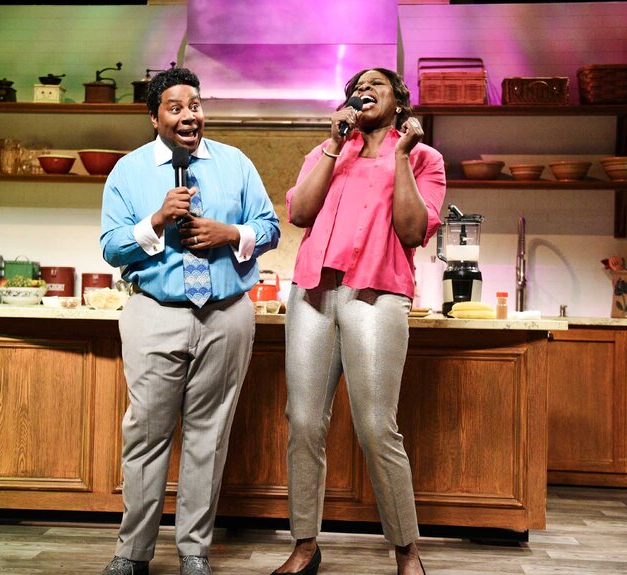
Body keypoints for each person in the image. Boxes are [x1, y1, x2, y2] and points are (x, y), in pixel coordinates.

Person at [99, 67, 280, 575]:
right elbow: (111, 248)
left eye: (195, 105)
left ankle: (194, 552)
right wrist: (155, 220)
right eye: (175, 107)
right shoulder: (128, 172)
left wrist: (230, 232)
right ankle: (132, 553)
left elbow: (269, 228)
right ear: (154, 116)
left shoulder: (235, 163)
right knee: (146, 434)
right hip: (154, 313)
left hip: (226, 315)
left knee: (209, 435)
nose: (189, 115)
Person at [271, 67, 446, 575]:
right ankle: (305, 545)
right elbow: (300, 214)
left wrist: (399, 156)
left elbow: (413, 231)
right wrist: (331, 146)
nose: (364, 90)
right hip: (312, 292)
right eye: (357, 86)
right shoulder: (331, 150)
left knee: (375, 425)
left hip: (377, 293)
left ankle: (406, 549)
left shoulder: (422, 157)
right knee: (303, 422)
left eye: (378, 84)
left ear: (399, 101)